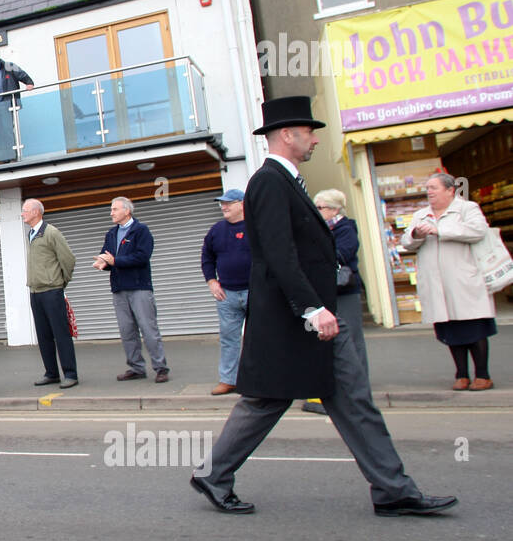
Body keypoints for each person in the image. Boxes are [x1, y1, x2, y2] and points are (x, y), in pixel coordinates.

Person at [191, 95, 456, 517]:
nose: (314, 140)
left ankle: (393, 490)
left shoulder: (287, 181)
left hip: (313, 318)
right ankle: (214, 474)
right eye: (309, 132)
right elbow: (278, 253)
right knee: (266, 400)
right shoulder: (268, 181)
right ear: (286, 135)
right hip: (298, 320)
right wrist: (312, 309)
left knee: (352, 400)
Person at [400, 172, 498, 391]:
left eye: (434, 188)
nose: (429, 192)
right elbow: (406, 241)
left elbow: (478, 231)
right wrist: (417, 234)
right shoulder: (421, 214)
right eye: (428, 189)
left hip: (464, 280)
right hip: (437, 283)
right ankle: (461, 374)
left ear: (450, 190)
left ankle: (483, 374)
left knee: (474, 327)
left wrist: (440, 230)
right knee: (451, 329)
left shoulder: (467, 209)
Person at [95, 197, 170, 383]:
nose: (111, 213)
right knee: (127, 330)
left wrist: (115, 261)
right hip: (119, 289)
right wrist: (103, 264)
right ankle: (136, 367)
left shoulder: (141, 230)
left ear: (127, 211)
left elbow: (143, 257)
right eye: (111, 209)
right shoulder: (111, 234)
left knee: (148, 329)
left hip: (139, 288)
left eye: (114, 209)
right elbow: (108, 257)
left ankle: (161, 368)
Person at [310, 187, 369, 412]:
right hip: (328, 291)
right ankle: (339, 387)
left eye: (320, 207)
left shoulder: (345, 227)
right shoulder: (321, 229)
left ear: (334, 209)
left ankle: (359, 389)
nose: (317, 211)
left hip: (346, 291)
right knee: (333, 339)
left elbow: (343, 253)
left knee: (352, 339)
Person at [21, 198, 78, 388]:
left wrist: (61, 282)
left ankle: (70, 373)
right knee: (43, 335)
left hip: (52, 291)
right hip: (35, 292)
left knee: (61, 334)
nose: (22, 214)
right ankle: (51, 373)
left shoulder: (51, 232)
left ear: (36, 212)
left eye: (25, 210)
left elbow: (68, 259)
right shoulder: (31, 234)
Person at [200, 189, 249, 395]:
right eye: (222, 203)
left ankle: (265, 379)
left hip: (255, 292)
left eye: (229, 203)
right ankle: (229, 380)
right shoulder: (216, 230)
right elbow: (207, 258)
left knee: (262, 338)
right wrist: (212, 281)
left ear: (242, 204)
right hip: (227, 294)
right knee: (229, 338)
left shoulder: (256, 226)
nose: (224, 206)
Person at [0, 49, 33, 164]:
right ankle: (4, 158)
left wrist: (29, 83)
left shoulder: (8, 66)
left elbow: (21, 74)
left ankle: (12, 156)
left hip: (6, 103)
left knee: (7, 130)